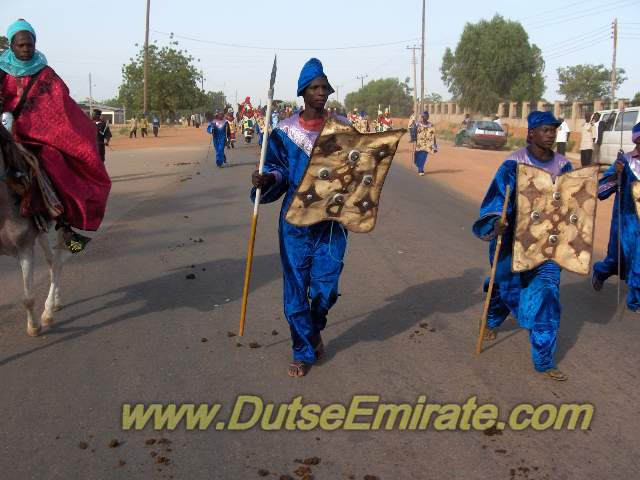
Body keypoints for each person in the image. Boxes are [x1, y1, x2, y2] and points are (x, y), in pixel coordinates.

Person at [250, 58, 348, 378]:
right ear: (303, 92)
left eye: (324, 87)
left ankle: (313, 329)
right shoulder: (284, 132)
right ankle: (302, 350)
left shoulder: (342, 129)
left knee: (326, 289)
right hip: (294, 223)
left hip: (331, 223)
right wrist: (267, 178)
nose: (320, 92)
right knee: (295, 287)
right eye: (314, 88)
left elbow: (357, 170)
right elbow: (278, 169)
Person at [472, 111, 571, 381]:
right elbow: (495, 201)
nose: (550, 135)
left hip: (548, 248)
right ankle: (491, 320)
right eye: (545, 130)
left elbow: (572, 205)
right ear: (531, 133)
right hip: (513, 245)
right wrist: (496, 222)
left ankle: (544, 360)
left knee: (548, 296)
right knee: (506, 288)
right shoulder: (512, 164)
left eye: (553, 130)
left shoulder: (564, 166)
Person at [0, 19, 111, 253]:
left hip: (39, 135)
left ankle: (63, 224)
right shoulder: (1, 71)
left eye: (30, 44)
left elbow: (61, 103)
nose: (26, 48)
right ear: (11, 45)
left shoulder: (46, 73)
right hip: (5, 131)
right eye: (21, 45)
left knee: (54, 161)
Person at [592, 123, 640, 312]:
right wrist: (616, 175)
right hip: (626, 221)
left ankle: (635, 300)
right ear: (637, 140)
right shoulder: (625, 161)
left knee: (638, 261)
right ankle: (600, 272)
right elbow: (601, 190)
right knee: (616, 259)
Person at [411, 111, 437, 176]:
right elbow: (414, 132)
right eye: (423, 116)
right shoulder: (418, 124)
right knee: (417, 155)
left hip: (427, 144)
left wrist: (435, 145)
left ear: (428, 117)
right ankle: (418, 164)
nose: (425, 117)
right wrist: (413, 137)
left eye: (426, 116)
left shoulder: (430, 125)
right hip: (419, 143)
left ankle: (421, 170)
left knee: (423, 156)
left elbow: (433, 136)